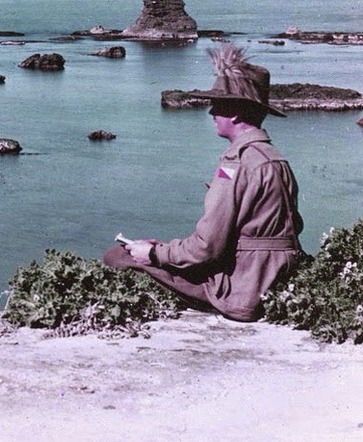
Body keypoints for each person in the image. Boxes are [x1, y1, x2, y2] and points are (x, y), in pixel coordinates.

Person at [104, 45, 304, 321]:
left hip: (243, 290)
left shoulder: (236, 164)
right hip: (277, 278)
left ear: (234, 113)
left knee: (117, 256)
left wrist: (153, 253)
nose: (211, 113)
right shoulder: (275, 158)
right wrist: (164, 249)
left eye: (217, 106)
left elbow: (206, 247)